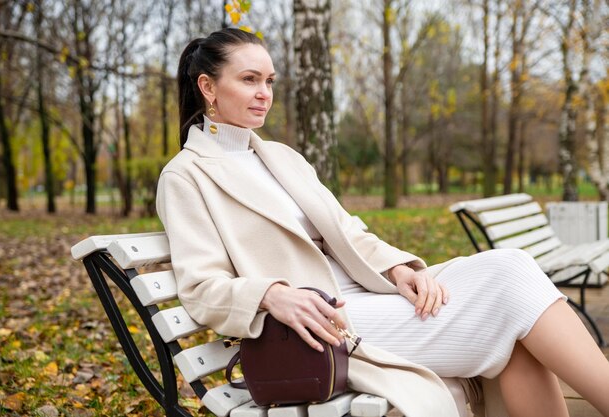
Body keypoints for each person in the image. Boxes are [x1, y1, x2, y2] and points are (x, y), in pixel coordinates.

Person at [156, 28, 609, 417]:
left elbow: (347, 230)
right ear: (208, 88)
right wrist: (271, 294)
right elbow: (201, 287)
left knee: (511, 269)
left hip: (368, 294)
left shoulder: (280, 157)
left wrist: (398, 269)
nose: (264, 93)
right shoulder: (186, 175)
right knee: (510, 302)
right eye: (249, 79)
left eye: (270, 81)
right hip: (326, 323)